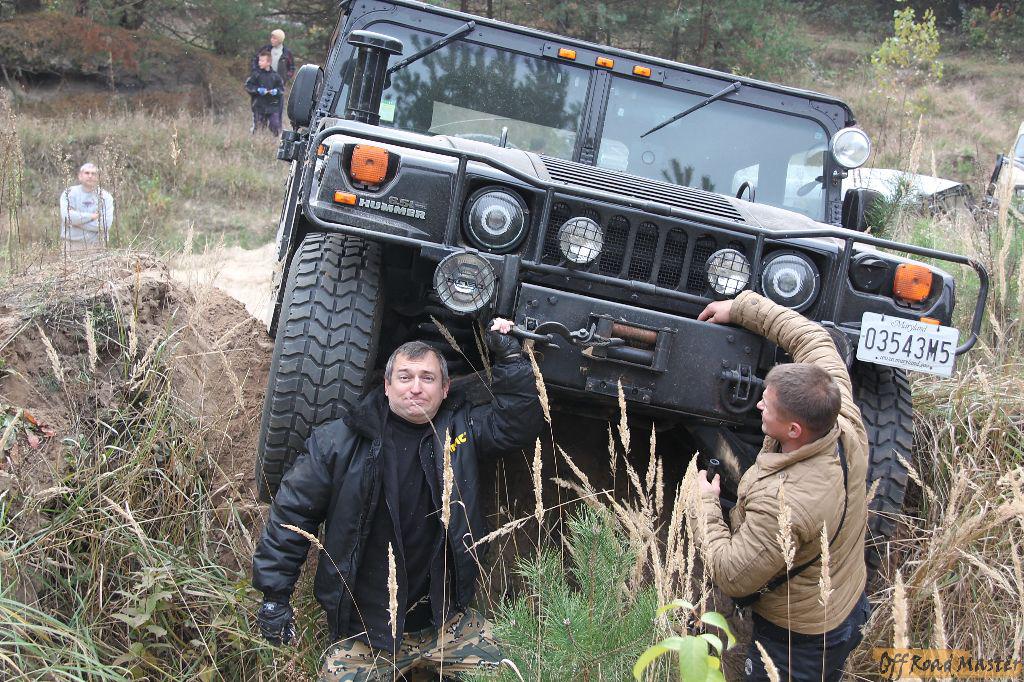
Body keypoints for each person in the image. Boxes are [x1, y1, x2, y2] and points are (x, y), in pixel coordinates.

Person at [252, 319, 544, 681]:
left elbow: (517, 424)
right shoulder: (338, 443)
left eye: (428, 378)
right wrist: (274, 597)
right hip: (366, 634)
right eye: (405, 377)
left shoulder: (461, 432)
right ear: (387, 385)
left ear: (445, 388)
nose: (416, 387)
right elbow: (292, 515)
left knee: (514, 672)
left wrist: (511, 359)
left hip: (445, 625)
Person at [693, 291, 871, 682]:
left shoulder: (785, 503)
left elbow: (731, 573)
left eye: (768, 406)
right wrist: (739, 308)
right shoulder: (841, 418)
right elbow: (813, 339)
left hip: (799, 642)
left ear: (793, 430)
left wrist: (705, 504)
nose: (759, 405)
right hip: (846, 602)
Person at [59, 162, 113, 251]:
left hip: (97, 246)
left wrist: (76, 222)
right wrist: (92, 216)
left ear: (98, 177)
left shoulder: (105, 197)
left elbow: (105, 224)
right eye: (87, 173)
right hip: (71, 245)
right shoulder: (69, 193)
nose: (90, 176)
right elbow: (67, 217)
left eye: (93, 173)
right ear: (80, 176)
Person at [245, 51, 285, 136]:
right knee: (259, 128)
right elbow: (248, 86)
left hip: (273, 106)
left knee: (275, 126)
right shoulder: (256, 74)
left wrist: (276, 91)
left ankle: (276, 141)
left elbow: (281, 89)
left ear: (269, 62)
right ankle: (257, 141)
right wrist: (257, 90)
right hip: (259, 106)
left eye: (262, 61)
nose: (260, 62)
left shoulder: (275, 76)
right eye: (259, 60)